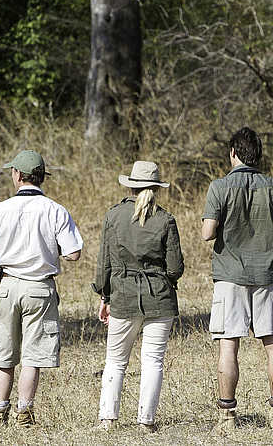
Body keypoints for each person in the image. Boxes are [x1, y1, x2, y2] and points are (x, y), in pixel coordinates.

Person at [0, 150, 83, 428]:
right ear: (42, 178)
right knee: (34, 354)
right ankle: (24, 413)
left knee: (5, 354)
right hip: (40, 288)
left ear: (17, 175)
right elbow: (74, 253)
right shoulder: (55, 210)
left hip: (8, 286)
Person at [201, 127, 273, 433]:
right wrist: (270, 233)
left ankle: (227, 416)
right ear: (258, 155)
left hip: (230, 277)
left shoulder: (219, 187)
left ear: (233, 153)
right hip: (266, 275)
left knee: (228, 347)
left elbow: (207, 233)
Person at [92, 161, 184, 433]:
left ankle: (108, 419)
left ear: (131, 185)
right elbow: (175, 268)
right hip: (159, 297)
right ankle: (146, 421)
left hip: (123, 295)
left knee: (115, 361)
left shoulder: (114, 216)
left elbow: (103, 265)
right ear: (156, 188)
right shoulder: (166, 219)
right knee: (153, 360)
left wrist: (104, 295)